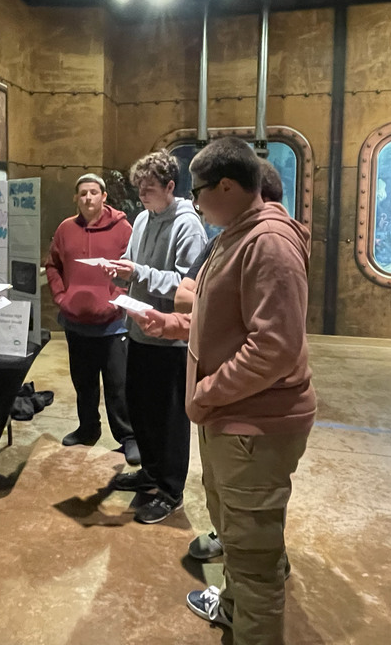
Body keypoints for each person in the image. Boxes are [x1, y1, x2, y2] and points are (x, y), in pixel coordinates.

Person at [129, 137, 316, 645]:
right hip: (231, 419)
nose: (194, 203)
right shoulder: (238, 235)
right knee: (235, 532)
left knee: (255, 563)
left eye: (198, 191)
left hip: (253, 424)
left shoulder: (268, 243)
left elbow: (273, 347)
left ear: (228, 187)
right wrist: (173, 325)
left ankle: (251, 624)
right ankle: (233, 607)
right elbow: (225, 320)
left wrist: (206, 392)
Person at [104, 149, 206, 524]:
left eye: (149, 188)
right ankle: (150, 472)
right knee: (141, 410)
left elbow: (186, 286)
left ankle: (170, 490)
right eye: (139, 189)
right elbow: (134, 266)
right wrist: (119, 270)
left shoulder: (188, 225)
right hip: (139, 332)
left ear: (169, 186)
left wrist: (138, 273)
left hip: (171, 340)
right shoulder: (143, 218)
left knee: (170, 419)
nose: (142, 195)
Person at [45, 173, 138, 462]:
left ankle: (128, 437)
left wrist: (117, 298)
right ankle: (88, 429)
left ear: (104, 196)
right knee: (83, 383)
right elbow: (52, 265)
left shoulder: (123, 228)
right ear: (76, 197)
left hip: (113, 325)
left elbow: (132, 267)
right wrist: (61, 297)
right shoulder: (65, 228)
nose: (88, 198)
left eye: (93, 192)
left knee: (118, 386)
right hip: (76, 323)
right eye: (83, 193)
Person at [175, 157, 284, 314]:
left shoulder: (270, 244)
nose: (197, 204)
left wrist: (205, 301)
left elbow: (261, 317)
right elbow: (181, 299)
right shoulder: (218, 241)